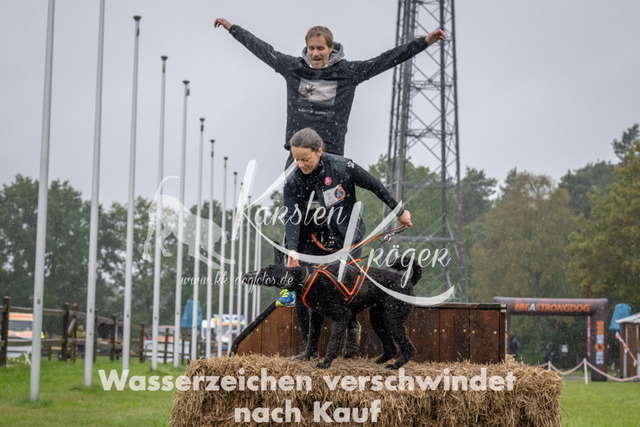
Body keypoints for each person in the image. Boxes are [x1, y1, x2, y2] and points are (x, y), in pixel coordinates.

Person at [213, 18, 446, 158]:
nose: (315, 53)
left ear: (330, 48)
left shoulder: (347, 72)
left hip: (330, 153)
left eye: (320, 49)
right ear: (306, 48)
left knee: (334, 209)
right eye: (311, 48)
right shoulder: (294, 68)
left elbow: (385, 60)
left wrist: (424, 42)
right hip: (299, 151)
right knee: (292, 205)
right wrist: (233, 28)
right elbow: (263, 50)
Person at [282, 128, 412, 358]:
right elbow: (291, 218)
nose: (300, 164)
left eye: (305, 159)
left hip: (346, 237)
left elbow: (375, 185)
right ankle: (309, 349)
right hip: (310, 240)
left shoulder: (342, 167)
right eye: (296, 159)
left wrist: (399, 211)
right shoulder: (292, 181)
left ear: (319, 151)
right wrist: (292, 249)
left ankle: (352, 329)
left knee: (342, 285)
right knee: (305, 288)